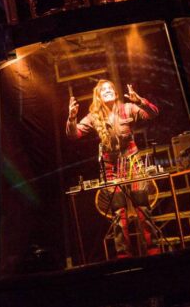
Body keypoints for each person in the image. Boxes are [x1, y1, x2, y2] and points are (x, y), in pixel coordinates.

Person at [66, 80, 160, 258]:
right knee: (119, 213)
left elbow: (154, 113)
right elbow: (73, 134)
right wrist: (71, 118)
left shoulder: (128, 108)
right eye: (104, 90)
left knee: (142, 207)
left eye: (110, 88)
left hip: (132, 162)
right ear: (99, 96)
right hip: (111, 166)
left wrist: (140, 101)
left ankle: (153, 251)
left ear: (116, 94)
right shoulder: (94, 117)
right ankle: (124, 255)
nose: (108, 91)